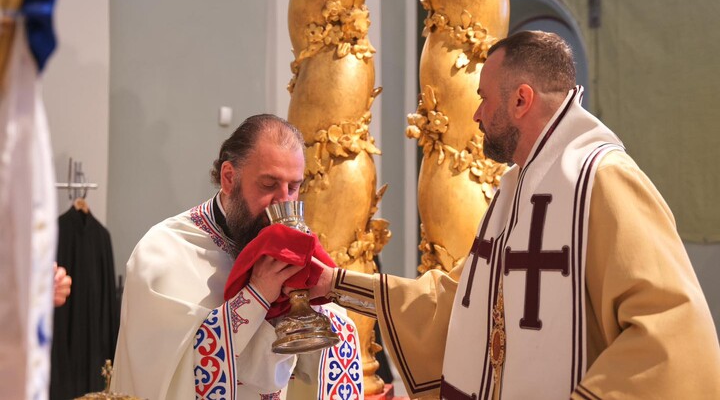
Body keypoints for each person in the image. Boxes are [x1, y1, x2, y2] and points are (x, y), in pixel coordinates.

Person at [306, 31, 720, 399]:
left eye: (484, 99)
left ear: (521, 100)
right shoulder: (516, 188)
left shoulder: (604, 179)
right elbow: (458, 304)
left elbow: (672, 331)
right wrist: (336, 283)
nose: (476, 115)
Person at [111, 114, 363, 400]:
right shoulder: (163, 252)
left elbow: (328, 351)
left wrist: (311, 306)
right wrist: (256, 297)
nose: (284, 202)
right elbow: (168, 375)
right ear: (229, 178)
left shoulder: (293, 252)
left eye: (293, 188)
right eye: (269, 185)